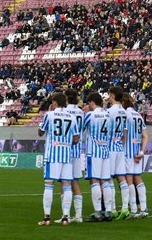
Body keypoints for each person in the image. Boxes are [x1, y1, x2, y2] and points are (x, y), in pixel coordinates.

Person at [37, 91, 79, 226]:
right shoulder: (71, 117)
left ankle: (47, 217)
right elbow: (76, 138)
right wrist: (66, 143)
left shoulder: (49, 115)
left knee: (49, 185)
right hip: (66, 155)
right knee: (66, 186)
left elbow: (40, 132)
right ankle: (66, 217)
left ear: (55, 103)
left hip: (52, 154)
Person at [83, 91, 114, 222]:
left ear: (91, 102)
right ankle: (108, 212)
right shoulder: (108, 115)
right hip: (105, 152)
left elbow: (80, 129)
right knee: (105, 181)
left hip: (93, 152)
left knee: (95, 181)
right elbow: (111, 133)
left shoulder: (90, 115)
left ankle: (97, 213)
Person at [122, 93, 149, 218]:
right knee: (138, 179)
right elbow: (145, 136)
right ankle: (143, 208)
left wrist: (120, 149)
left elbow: (125, 135)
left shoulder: (125, 115)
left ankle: (133, 209)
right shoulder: (138, 115)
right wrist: (142, 152)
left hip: (127, 152)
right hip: (137, 152)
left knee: (129, 181)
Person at [106, 86, 131, 219]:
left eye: (110, 95)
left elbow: (106, 130)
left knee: (109, 178)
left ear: (113, 96)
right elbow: (125, 134)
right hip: (119, 148)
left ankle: (113, 209)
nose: (109, 97)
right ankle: (125, 208)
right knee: (121, 178)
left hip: (110, 147)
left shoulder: (109, 111)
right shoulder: (124, 112)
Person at [64, 88, 85, 223]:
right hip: (77, 149)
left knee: (65, 183)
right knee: (75, 182)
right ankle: (78, 215)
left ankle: (65, 214)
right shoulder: (81, 112)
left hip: (65, 150)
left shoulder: (64, 111)